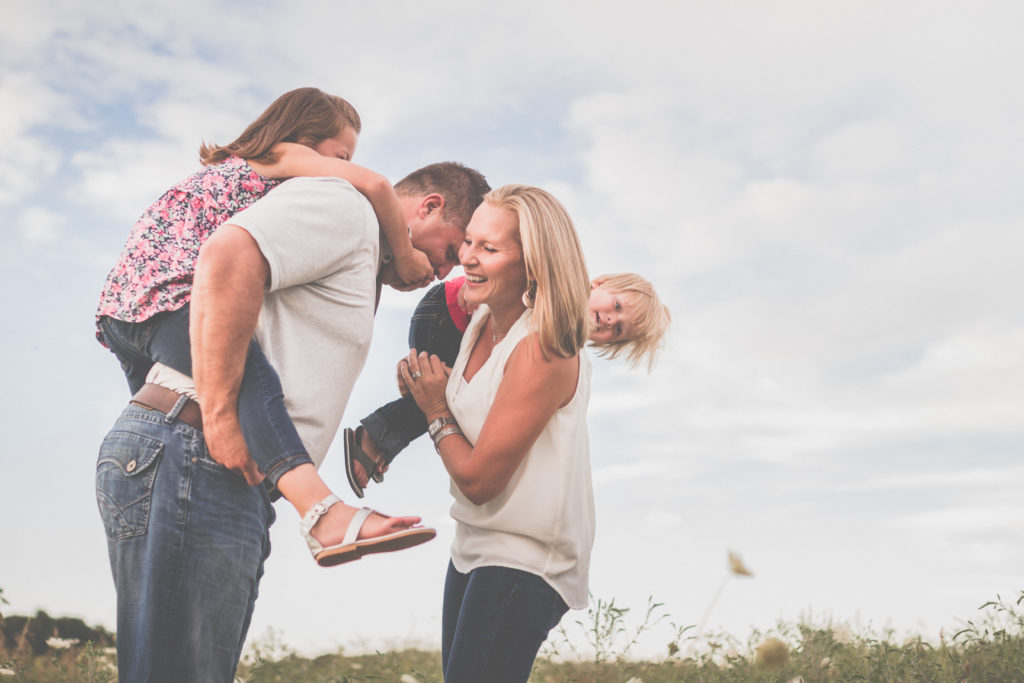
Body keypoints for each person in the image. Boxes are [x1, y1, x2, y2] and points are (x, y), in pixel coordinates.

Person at [96, 157, 489, 679]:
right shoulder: (348, 210)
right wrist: (215, 413)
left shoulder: (360, 249)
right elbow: (227, 253)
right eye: (451, 251)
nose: (446, 271)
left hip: (219, 467)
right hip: (195, 448)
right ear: (430, 207)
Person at [94, 88, 481, 569]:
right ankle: (322, 513)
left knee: (163, 406)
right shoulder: (288, 160)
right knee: (252, 380)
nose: (445, 271)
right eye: (341, 155)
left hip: (128, 310)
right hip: (168, 296)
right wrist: (404, 255)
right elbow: (377, 186)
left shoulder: (262, 176)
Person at [401, 184, 594, 682]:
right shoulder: (481, 320)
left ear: (534, 264)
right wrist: (422, 386)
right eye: (468, 241)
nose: (467, 257)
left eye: (488, 249)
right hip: (473, 543)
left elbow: (480, 480)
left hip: (525, 557)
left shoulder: (543, 348)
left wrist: (435, 408)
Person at [343, 272, 671, 497]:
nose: (611, 320)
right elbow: (522, 265)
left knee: (458, 399)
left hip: (452, 327)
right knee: (446, 401)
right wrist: (483, 288)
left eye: (618, 330)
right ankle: (376, 437)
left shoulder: (564, 348)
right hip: (448, 313)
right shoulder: (558, 286)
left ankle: (409, 388)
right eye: (616, 306)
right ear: (597, 284)